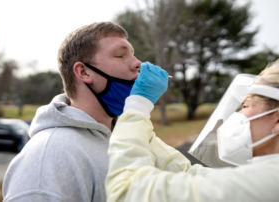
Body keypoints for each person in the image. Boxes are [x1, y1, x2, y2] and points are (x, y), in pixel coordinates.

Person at [2, 22, 141, 202]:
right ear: (83, 72)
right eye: (120, 55)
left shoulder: (121, 139)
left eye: (133, 55)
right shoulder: (50, 158)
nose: (138, 63)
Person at [106, 60, 279, 202]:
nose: (238, 114)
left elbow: (127, 191)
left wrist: (137, 105)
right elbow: (188, 174)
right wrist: (139, 129)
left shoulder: (269, 184)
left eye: (245, 106)